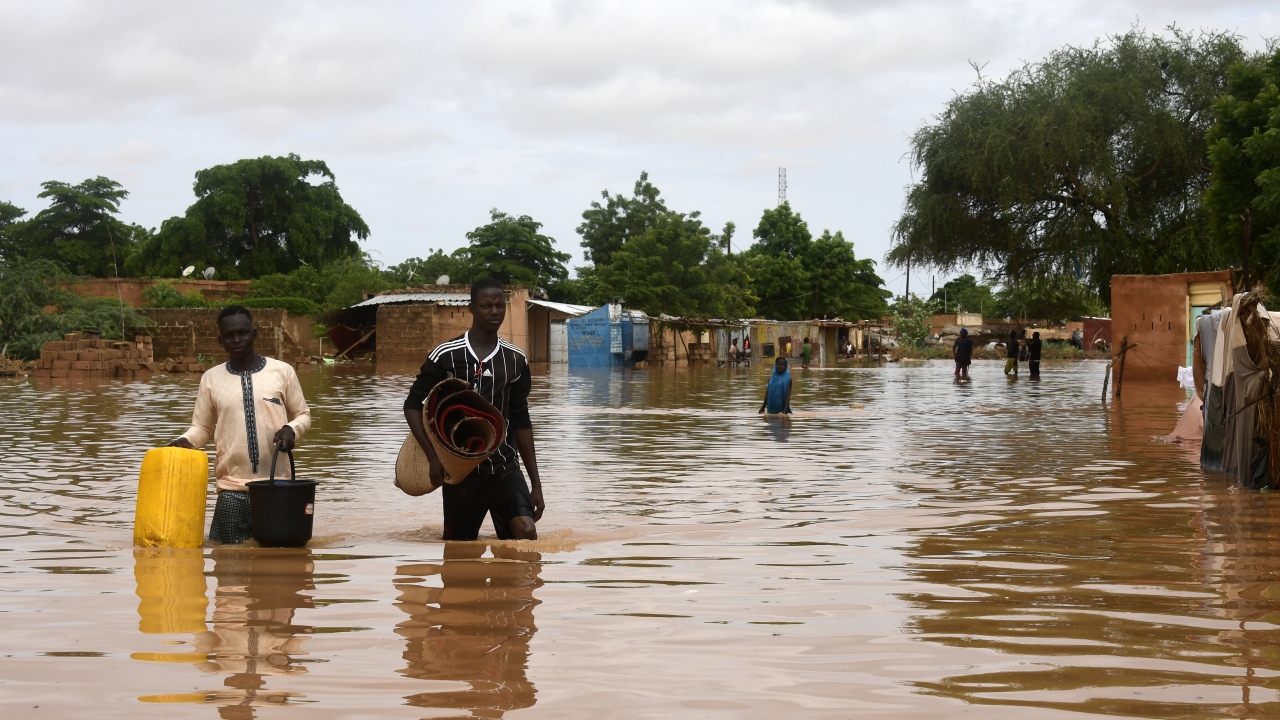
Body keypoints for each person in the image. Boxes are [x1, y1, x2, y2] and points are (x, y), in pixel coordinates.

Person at [403, 277, 545, 541]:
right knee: (458, 550)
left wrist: (536, 485)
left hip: (504, 466)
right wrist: (433, 458)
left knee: (526, 532)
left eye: (500, 306)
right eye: (486, 306)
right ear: (471, 308)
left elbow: (521, 421)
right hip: (460, 474)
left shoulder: (515, 360)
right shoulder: (445, 355)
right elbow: (412, 406)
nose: (494, 312)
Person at [170, 306, 312, 545]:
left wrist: (291, 429)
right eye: (229, 335)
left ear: (254, 334)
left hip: (277, 488)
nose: (236, 339)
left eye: (242, 333)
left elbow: (303, 415)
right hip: (231, 489)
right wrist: (184, 442)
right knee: (228, 566)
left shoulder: (282, 372)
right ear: (220, 340)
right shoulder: (211, 379)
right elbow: (202, 428)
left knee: (280, 568)